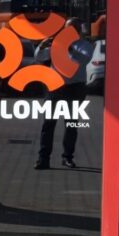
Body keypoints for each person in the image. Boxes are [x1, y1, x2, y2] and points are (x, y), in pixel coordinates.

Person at [35, 18, 90, 170]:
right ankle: (43, 159)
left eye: (73, 28)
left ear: (78, 30)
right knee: (48, 123)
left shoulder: (84, 45)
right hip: (55, 87)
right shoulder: (57, 44)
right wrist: (42, 46)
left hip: (75, 88)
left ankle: (67, 157)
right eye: (67, 28)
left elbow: (82, 59)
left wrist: (67, 46)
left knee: (71, 124)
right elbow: (39, 57)